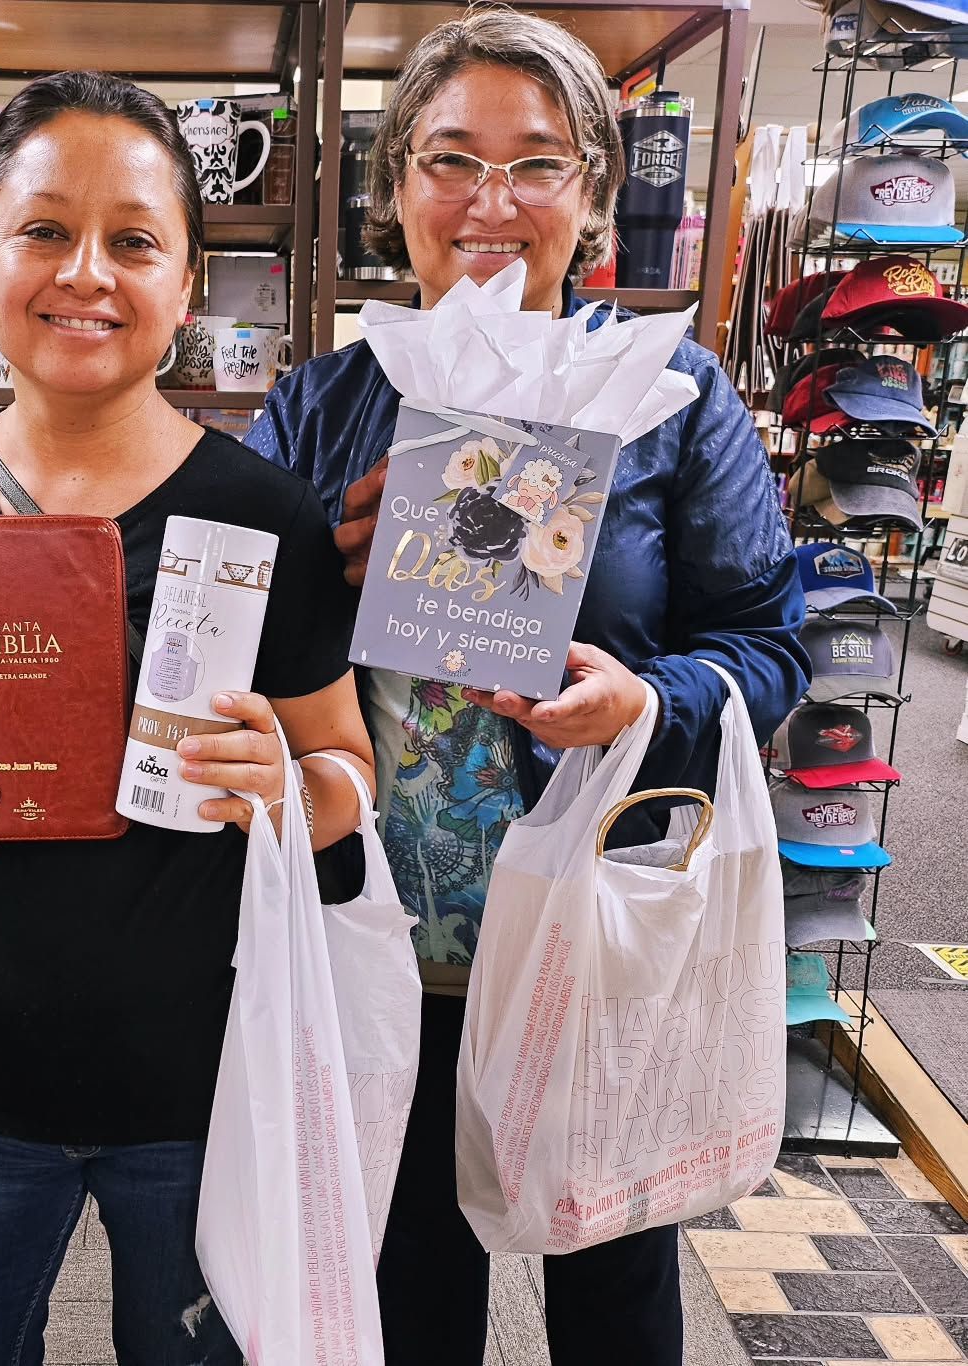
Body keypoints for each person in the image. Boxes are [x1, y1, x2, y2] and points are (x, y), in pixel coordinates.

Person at [246, 10, 810, 1365]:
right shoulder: (328, 401)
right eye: (448, 160)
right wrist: (328, 559)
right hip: (386, 943)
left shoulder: (672, 395)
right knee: (407, 1287)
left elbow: (764, 641)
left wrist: (641, 699)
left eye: (535, 164)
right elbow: (233, 652)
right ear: (395, 195)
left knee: (611, 1289)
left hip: (588, 937)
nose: (488, 203)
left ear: (592, 197)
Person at [0, 70, 374, 1366]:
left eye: (134, 239)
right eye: (44, 228)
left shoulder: (263, 513)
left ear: (183, 283)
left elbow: (346, 772)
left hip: (204, 1089)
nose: (85, 273)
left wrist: (283, 778)